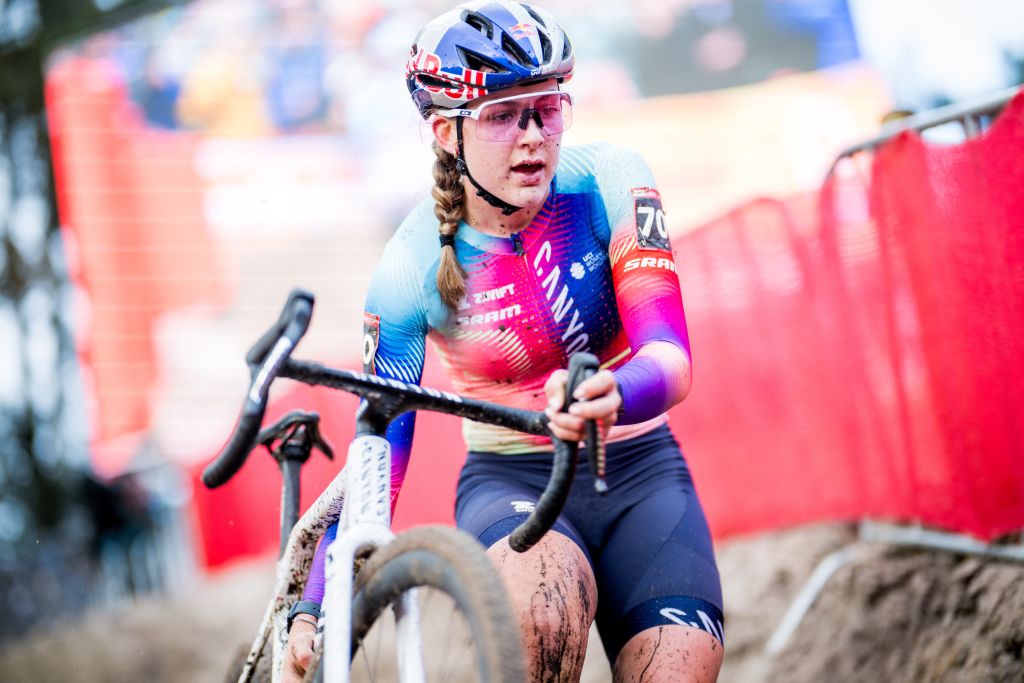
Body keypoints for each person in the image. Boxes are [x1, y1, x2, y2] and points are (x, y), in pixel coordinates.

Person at [284, 2, 724, 681]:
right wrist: (313, 603)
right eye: (501, 115)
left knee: (684, 666)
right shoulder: (408, 269)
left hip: (642, 469)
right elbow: (378, 463)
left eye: (547, 108)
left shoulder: (610, 179)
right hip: (514, 480)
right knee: (540, 614)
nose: (532, 136)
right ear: (444, 134)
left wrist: (615, 393)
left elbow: (671, 360)